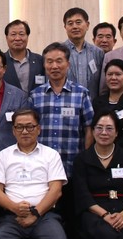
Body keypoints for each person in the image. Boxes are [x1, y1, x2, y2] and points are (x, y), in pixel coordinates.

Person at [0, 108, 76, 239]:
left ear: (38, 129)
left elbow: (56, 191)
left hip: (45, 216)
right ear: (13, 130)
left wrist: (35, 213)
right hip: (12, 217)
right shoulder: (4, 156)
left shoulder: (50, 155)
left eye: (30, 126)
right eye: (19, 127)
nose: (25, 131)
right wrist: (14, 208)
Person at [29, 41, 94, 177]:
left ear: (68, 64)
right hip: (41, 166)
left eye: (59, 61)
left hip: (73, 164)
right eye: (49, 62)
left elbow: (89, 128)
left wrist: (87, 158)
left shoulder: (81, 93)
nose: (54, 66)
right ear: (44, 65)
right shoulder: (35, 95)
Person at [62, 7, 104, 96]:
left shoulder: (98, 53)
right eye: (70, 23)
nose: (74, 27)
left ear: (87, 25)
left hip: (92, 103)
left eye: (78, 22)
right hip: (66, 103)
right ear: (65, 27)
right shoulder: (58, 52)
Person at [2, 19, 45, 93]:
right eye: (13, 34)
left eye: (21, 34)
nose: (17, 38)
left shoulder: (40, 60)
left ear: (27, 36)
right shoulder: (1, 61)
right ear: (6, 38)